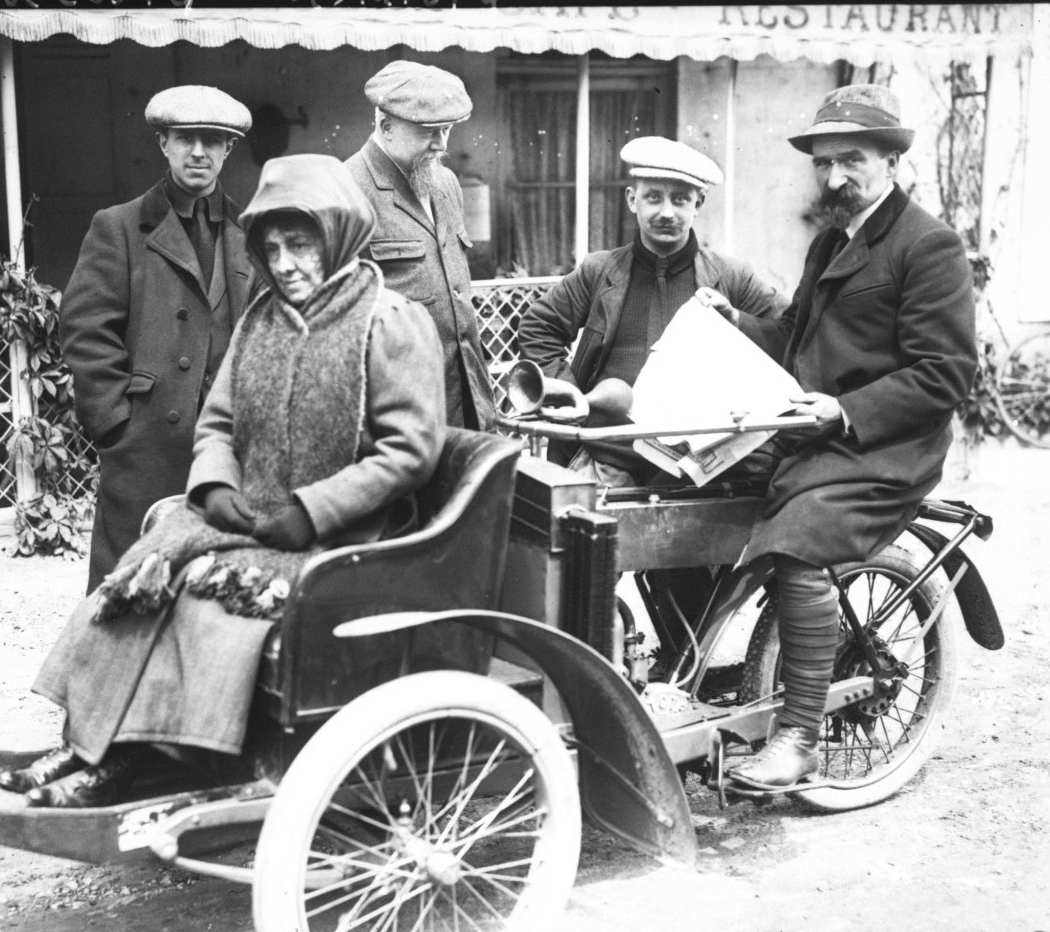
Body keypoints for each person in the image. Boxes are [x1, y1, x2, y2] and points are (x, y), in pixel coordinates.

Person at [0, 154, 447, 808]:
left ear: (339, 234)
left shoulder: (389, 321)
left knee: (204, 596)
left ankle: (139, 759)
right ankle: (97, 743)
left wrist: (313, 510)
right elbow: (217, 422)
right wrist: (213, 488)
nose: (285, 263)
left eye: (301, 245)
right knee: (146, 568)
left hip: (344, 534)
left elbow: (410, 451)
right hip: (254, 516)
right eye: (272, 248)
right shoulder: (262, 319)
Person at [710, 85, 977, 787]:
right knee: (684, 487)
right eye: (822, 163)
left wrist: (843, 409)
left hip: (886, 450)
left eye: (850, 160)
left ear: (890, 159)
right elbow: (794, 336)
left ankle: (798, 736)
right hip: (816, 438)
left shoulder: (927, 246)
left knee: (800, 540)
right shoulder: (831, 240)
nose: (833, 178)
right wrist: (733, 326)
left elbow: (944, 374)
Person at [59, 85, 255, 593]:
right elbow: (86, 332)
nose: (199, 152)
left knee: (217, 590)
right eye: (185, 138)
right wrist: (115, 425)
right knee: (126, 590)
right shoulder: (120, 227)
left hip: (230, 448)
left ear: (228, 149)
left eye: (213, 140)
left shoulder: (249, 233)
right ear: (163, 143)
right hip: (146, 447)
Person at [518, 135, 788, 486]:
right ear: (632, 200)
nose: (666, 212)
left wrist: (737, 320)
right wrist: (572, 399)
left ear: (699, 203)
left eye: (680, 199)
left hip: (701, 462)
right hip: (609, 456)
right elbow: (538, 326)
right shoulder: (599, 271)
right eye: (653, 197)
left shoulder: (733, 276)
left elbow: (789, 332)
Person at [346, 60, 497, 432]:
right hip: (399, 413)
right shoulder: (346, 191)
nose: (441, 145)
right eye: (429, 132)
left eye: (446, 130)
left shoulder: (444, 183)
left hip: (468, 405)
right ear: (386, 127)